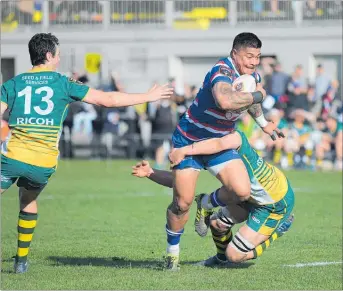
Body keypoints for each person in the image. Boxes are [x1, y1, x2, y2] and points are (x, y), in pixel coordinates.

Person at [0, 32, 173, 274]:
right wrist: (148, 96)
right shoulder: (63, 83)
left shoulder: (14, 83)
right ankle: (21, 261)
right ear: (49, 55)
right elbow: (108, 100)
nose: (59, 60)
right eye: (58, 55)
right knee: (28, 200)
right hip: (44, 164)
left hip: (12, 158)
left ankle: (20, 262)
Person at [164, 32, 284, 270]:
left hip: (219, 141)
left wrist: (264, 124)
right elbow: (226, 101)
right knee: (181, 203)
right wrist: (261, 93)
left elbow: (250, 102)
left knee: (241, 191)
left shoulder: (251, 74)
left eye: (257, 56)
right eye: (249, 56)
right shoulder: (222, 71)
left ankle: (207, 203)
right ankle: (172, 255)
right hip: (190, 139)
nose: (253, 62)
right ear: (234, 52)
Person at [132, 129, 294, 266]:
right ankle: (221, 259)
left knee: (235, 255)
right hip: (246, 195)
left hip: (273, 202)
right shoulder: (200, 147)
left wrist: (185, 150)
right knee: (217, 224)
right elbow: (179, 183)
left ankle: (277, 231)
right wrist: (150, 173)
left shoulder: (232, 137)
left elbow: (219, 144)